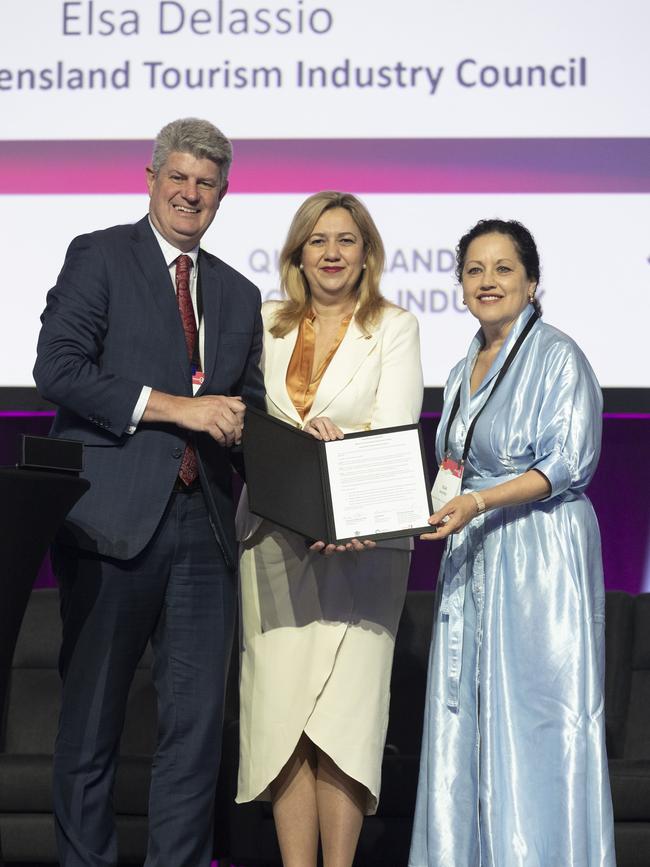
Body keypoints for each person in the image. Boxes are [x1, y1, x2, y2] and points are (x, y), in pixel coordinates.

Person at [32, 117, 264, 867]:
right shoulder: (100, 256)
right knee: (92, 723)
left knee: (194, 736)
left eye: (207, 183)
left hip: (204, 534)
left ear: (223, 194)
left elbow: (249, 412)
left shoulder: (238, 290)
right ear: (151, 179)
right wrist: (177, 406)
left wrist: (306, 455)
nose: (191, 194)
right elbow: (58, 369)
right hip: (108, 525)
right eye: (180, 179)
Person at [409, 219, 615, 866]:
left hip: (540, 558)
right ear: (461, 286)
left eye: (503, 268)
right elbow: (453, 468)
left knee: (538, 723)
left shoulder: (558, 355)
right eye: (475, 269)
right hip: (474, 555)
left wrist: (480, 500)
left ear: (531, 282)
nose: (488, 280)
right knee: (466, 722)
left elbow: (567, 463)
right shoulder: (460, 366)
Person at [235, 191, 424, 867]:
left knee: (344, 717)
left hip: (362, 547)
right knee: (283, 715)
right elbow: (246, 420)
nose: (333, 253)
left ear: (366, 253)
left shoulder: (394, 326)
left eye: (346, 240)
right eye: (319, 241)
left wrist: (339, 466)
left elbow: (395, 425)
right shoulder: (263, 323)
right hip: (275, 541)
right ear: (297, 254)